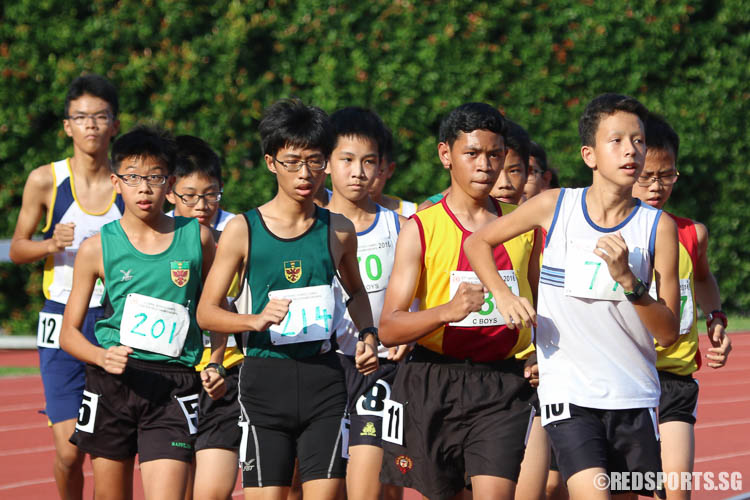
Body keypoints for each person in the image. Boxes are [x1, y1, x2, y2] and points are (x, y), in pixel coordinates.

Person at [465, 93, 681, 499]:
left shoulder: (658, 228)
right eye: (616, 141)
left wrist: (630, 283)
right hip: (569, 394)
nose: (630, 150)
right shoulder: (555, 206)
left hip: (633, 395)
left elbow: (668, 333)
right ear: (590, 154)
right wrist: (504, 296)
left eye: (637, 140)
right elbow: (478, 243)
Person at [196, 98, 379, 500]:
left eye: (315, 161)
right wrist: (252, 321)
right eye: (292, 161)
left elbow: (357, 292)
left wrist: (368, 335)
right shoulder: (243, 229)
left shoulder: (340, 230)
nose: (305, 173)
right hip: (265, 381)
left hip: (324, 381)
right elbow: (207, 313)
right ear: (270, 162)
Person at [378, 102, 540, 500]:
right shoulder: (420, 228)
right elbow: (389, 327)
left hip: (502, 383)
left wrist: (538, 352)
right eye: (472, 153)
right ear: (445, 155)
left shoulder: (524, 228)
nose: (485, 165)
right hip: (434, 381)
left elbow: (543, 305)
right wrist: (448, 312)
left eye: (495, 154)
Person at [59, 125, 217, 500]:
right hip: (113, 381)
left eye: (154, 178)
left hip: (174, 384)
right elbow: (68, 333)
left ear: (171, 182)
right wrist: (102, 356)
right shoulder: (96, 248)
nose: (144, 189)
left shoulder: (198, 238)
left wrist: (218, 360)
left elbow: (217, 309)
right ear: (116, 181)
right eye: (132, 178)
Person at [9, 74, 122, 499]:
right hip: (60, 318)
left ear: (114, 124)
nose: (90, 125)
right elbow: (17, 248)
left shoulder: (128, 183)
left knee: (110, 450)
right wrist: (49, 243)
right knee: (71, 450)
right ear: (67, 126)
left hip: (115, 321)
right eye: (81, 117)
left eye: (100, 116)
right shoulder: (46, 180)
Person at [632, 112, 732, 500]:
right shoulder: (603, 232)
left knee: (675, 491)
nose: (657, 186)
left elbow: (704, 279)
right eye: (647, 177)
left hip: (673, 379)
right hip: (620, 377)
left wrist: (716, 318)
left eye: (667, 175)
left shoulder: (692, 233)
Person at [326, 107, 408, 500]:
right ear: (326, 163)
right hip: (323, 367)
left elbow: (421, 298)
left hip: (384, 370)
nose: (358, 172)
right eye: (347, 160)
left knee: (374, 487)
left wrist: (406, 337)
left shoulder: (402, 227)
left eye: (368, 162)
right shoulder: (307, 228)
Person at [166, 135, 241, 500]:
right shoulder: (153, 235)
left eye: (211, 194)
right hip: (170, 375)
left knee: (211, 491)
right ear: (170, 192)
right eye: (190, 196)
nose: (202, 205)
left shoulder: (241, 231)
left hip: (225, 370)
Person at [368, 124, 418, 217]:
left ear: (390, 169)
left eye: (377, 169)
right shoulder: (332, 215)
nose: (364, 174)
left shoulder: (411, 214)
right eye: (349, 160)